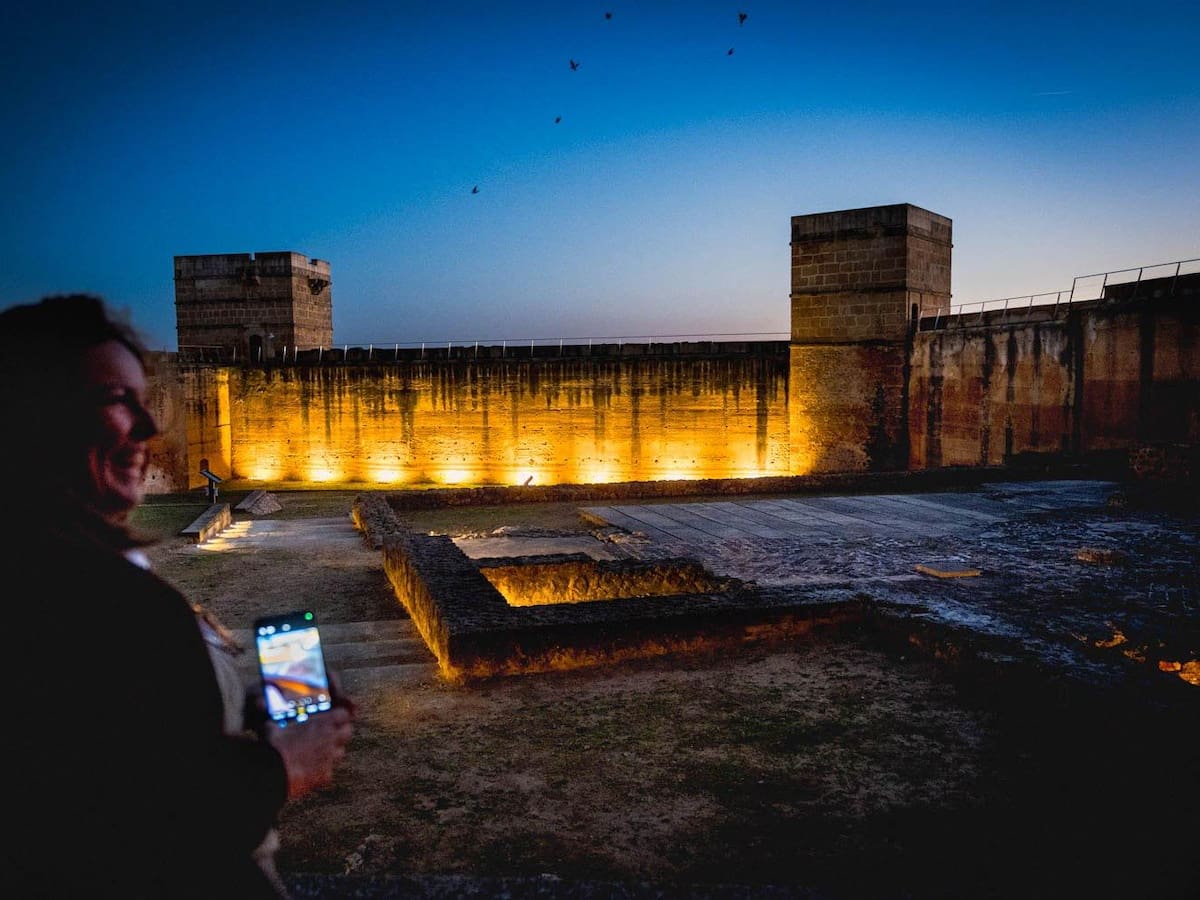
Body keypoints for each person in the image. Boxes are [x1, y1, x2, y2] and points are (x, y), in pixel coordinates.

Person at [0, 294, 355, 898]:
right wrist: (285, 766)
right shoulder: (78, 595)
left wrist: (234, 702)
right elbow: (112, 834)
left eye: (145, 401)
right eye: (119, 402)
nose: (151, 428)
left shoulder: (64, 571)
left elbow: (115, 742)